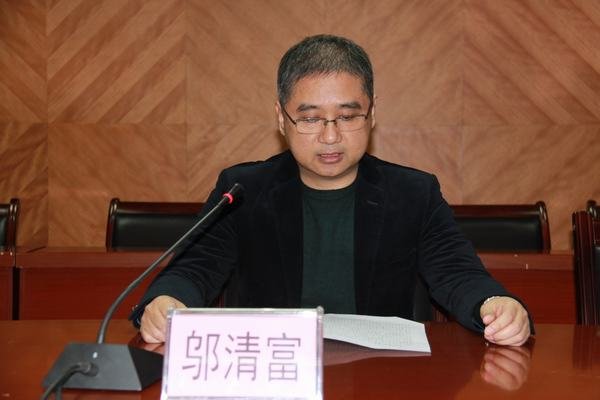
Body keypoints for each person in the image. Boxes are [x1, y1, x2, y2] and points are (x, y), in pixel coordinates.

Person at [131, 34, 532, 347]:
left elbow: (456, 271)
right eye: (310, 119)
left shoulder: (413, 193)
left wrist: (494, 305)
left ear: (371, 114)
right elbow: (196, 267)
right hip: (275, 371)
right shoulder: (244, 191)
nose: (330, 136)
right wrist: (166, 302)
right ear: (281, 118)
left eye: (347, 116)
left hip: (381, 376)